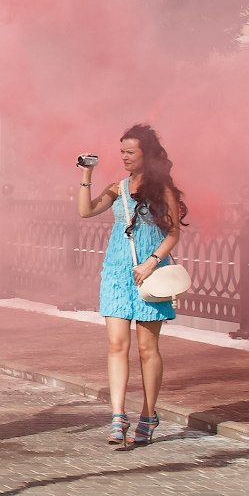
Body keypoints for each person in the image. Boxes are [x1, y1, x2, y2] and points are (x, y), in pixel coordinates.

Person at [78, 125, 186, 448]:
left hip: (149, 272)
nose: (124, 157)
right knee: (116, 345)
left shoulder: (162, 189)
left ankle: (148, 414)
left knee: (146, 348)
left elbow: (174, 233)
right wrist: (87, 175)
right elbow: (85, 210)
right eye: (122, 151)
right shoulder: (118, 188)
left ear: (146, 154)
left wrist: (152, 261)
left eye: (131, 152)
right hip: (116, 271)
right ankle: (117, 415)